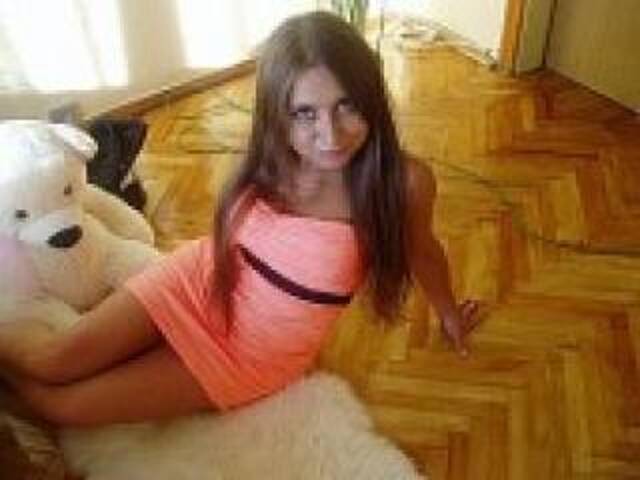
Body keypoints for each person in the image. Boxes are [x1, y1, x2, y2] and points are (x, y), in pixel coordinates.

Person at [0, 11, 482, 427]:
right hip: (196, 281)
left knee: (61, 406)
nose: (330, 134)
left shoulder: (403, 183)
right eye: (305, 113)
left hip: (249, 354)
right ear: (278, 116)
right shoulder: (272, 157)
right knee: (51, 360)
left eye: (346, 106)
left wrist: (447, 312)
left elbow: (423, 250)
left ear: (371, 99)